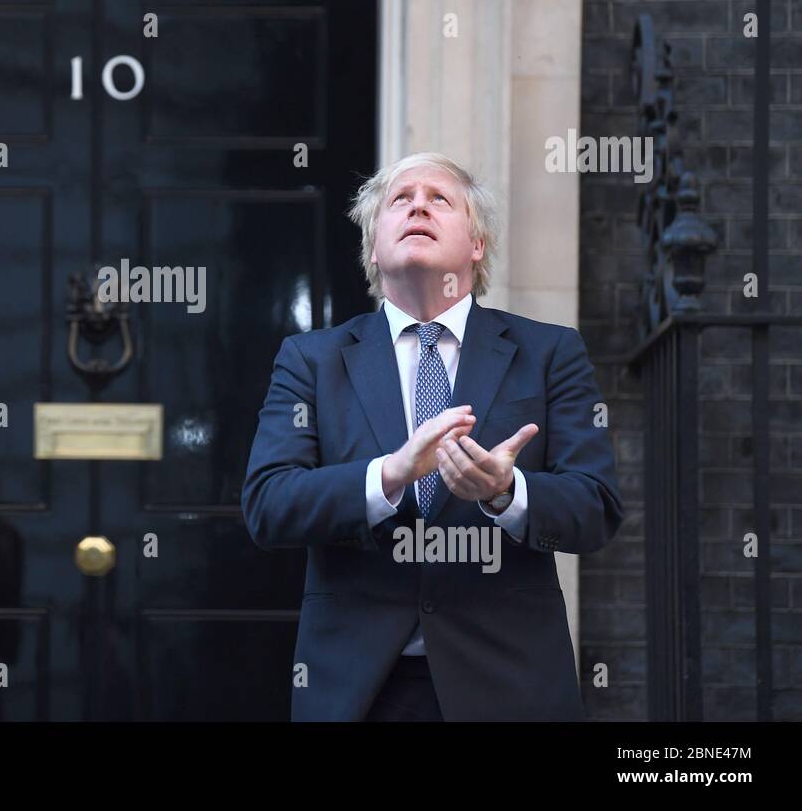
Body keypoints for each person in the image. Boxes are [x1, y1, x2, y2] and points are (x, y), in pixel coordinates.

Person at [242, 151, 623, 721]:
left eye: (439, 198)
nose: (418, 204)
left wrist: (506, 491)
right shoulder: (312, 360)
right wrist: (389, 475)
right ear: (374, 248)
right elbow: (269, 505)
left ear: (477, 245)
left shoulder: (550, 353)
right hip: (359, 692)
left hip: (510, 688)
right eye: (401, 199)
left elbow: (596, 507)